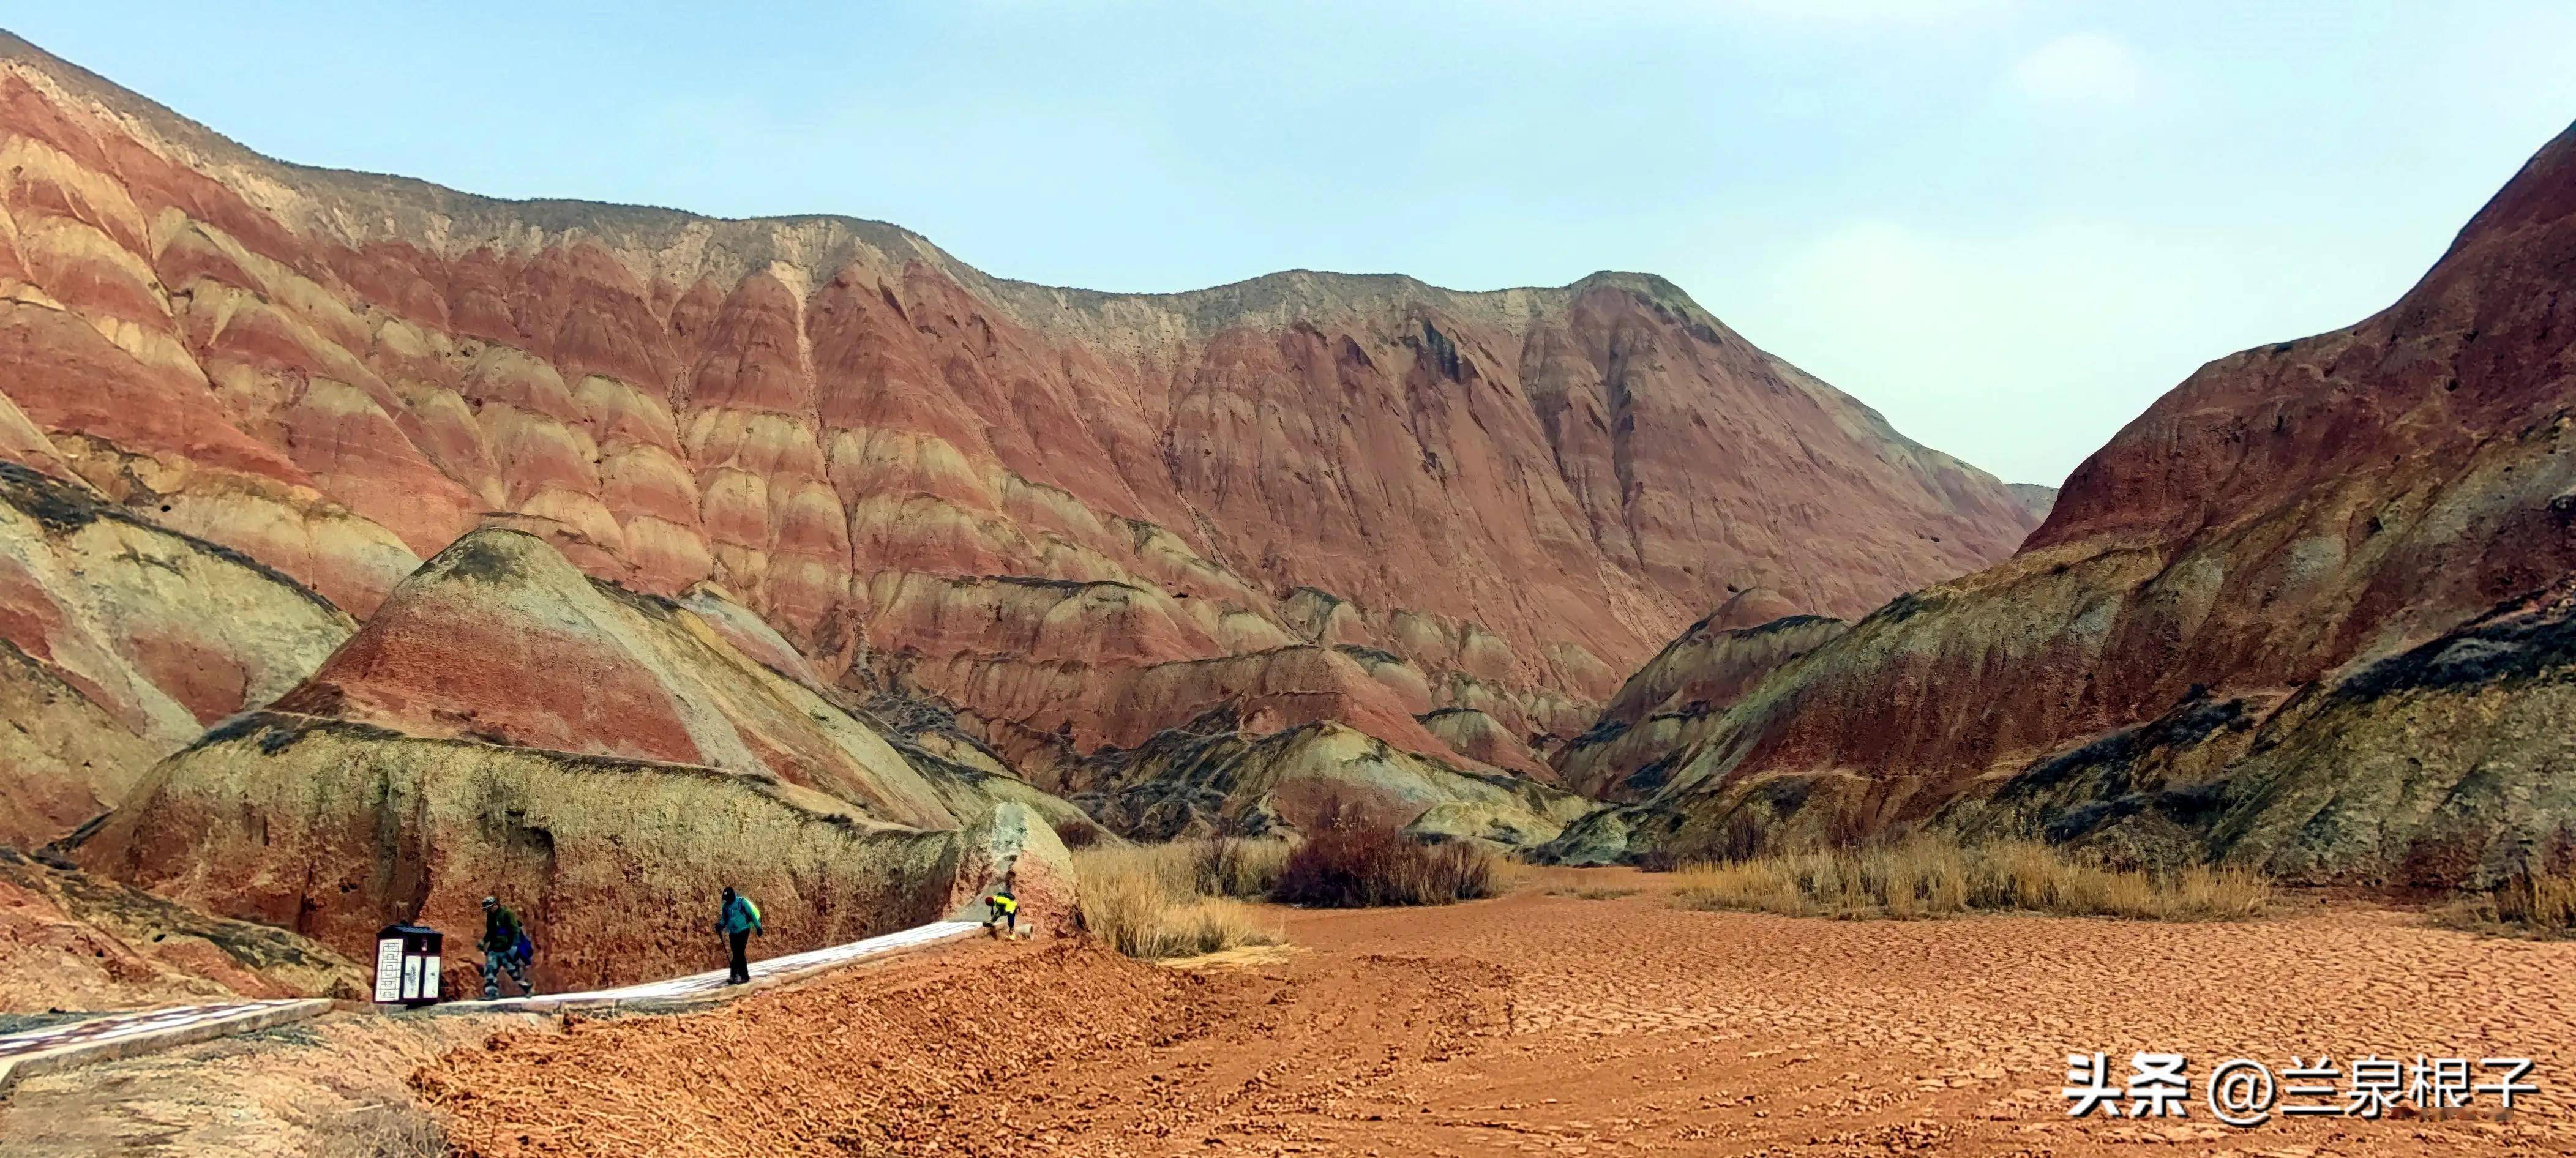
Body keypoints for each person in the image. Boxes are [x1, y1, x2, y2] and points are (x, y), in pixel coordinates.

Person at [477, 895, 537, 999]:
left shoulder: (507, 914)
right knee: (490, 970)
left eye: (489, 908)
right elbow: (490, 933)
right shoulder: (491, 917)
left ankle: (527, 988)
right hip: (494, 950)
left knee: (513, 971)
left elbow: (515, 931)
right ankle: (492, 993)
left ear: (496, 905)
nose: (488, 911)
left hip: (507, 948)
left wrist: (514, 947)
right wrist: (484, 942)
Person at [717, 886, 763, 984]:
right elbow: (724, 920)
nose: (727, 901)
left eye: (728, 899)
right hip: (733, 933)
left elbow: (752, 915)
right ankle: (735, 976)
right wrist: (719, 926)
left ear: (733, 897)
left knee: (739, 953)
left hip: (743, 930)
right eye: (726, 900)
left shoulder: (742, 902)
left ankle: (743, 976)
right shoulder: (725, 907)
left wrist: (758, 927)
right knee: (736, 954)